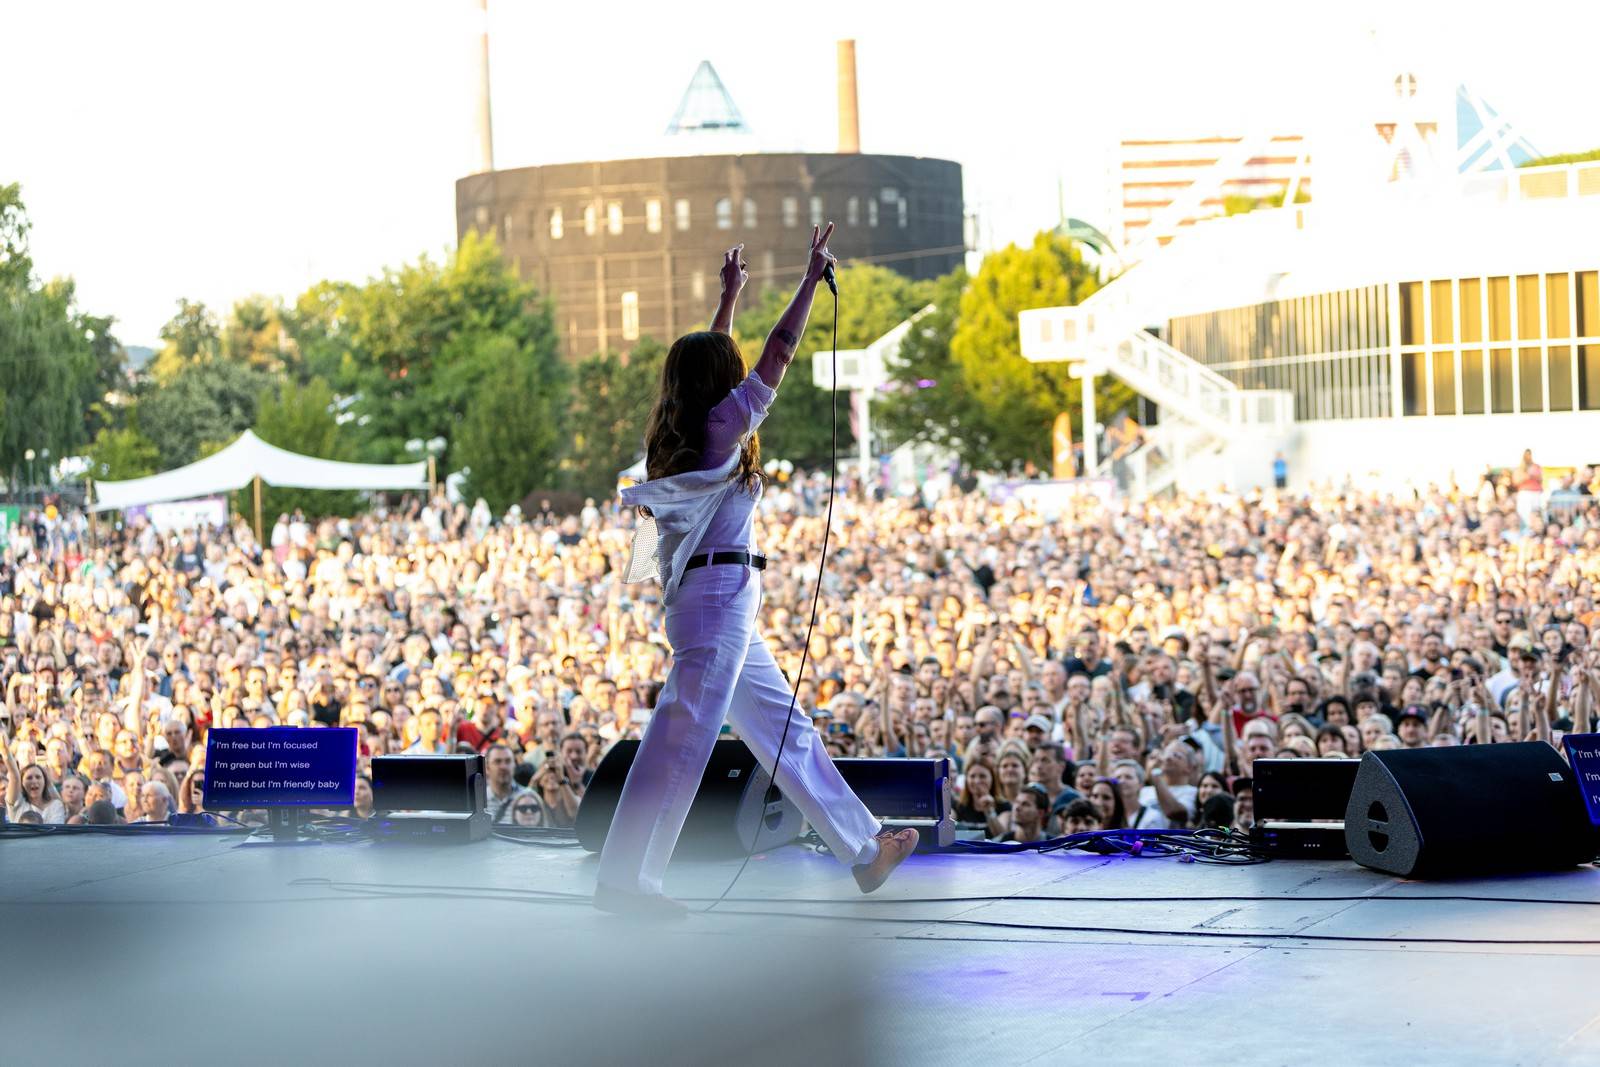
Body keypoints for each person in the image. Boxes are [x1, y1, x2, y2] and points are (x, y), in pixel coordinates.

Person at [594, 231, 917, 917]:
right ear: (720, 384)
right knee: (681, 742)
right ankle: (629, 882)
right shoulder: (719, 431)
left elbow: (719, 365)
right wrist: (809, 278)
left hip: (713, 601)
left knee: (784, 729)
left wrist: (728, 298)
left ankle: (863, 849)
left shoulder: (681, 432)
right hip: (718, 601)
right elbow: (779, 351)